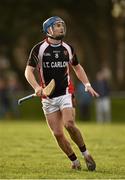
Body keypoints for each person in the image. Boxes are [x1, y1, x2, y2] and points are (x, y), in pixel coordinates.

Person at [25, 16, 99, 170]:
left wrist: (87, 84)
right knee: (58, 134)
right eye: (57, 25)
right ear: (49, 30)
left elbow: (77, 67)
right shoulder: (39, 49)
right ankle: (75, 162)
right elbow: (28, 71)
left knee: (69, 124)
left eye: (62, 25)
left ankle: (86, 155)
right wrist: (36, 87)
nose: (61, 28)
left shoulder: (68, 48)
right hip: (47, 96)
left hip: (66, 92)